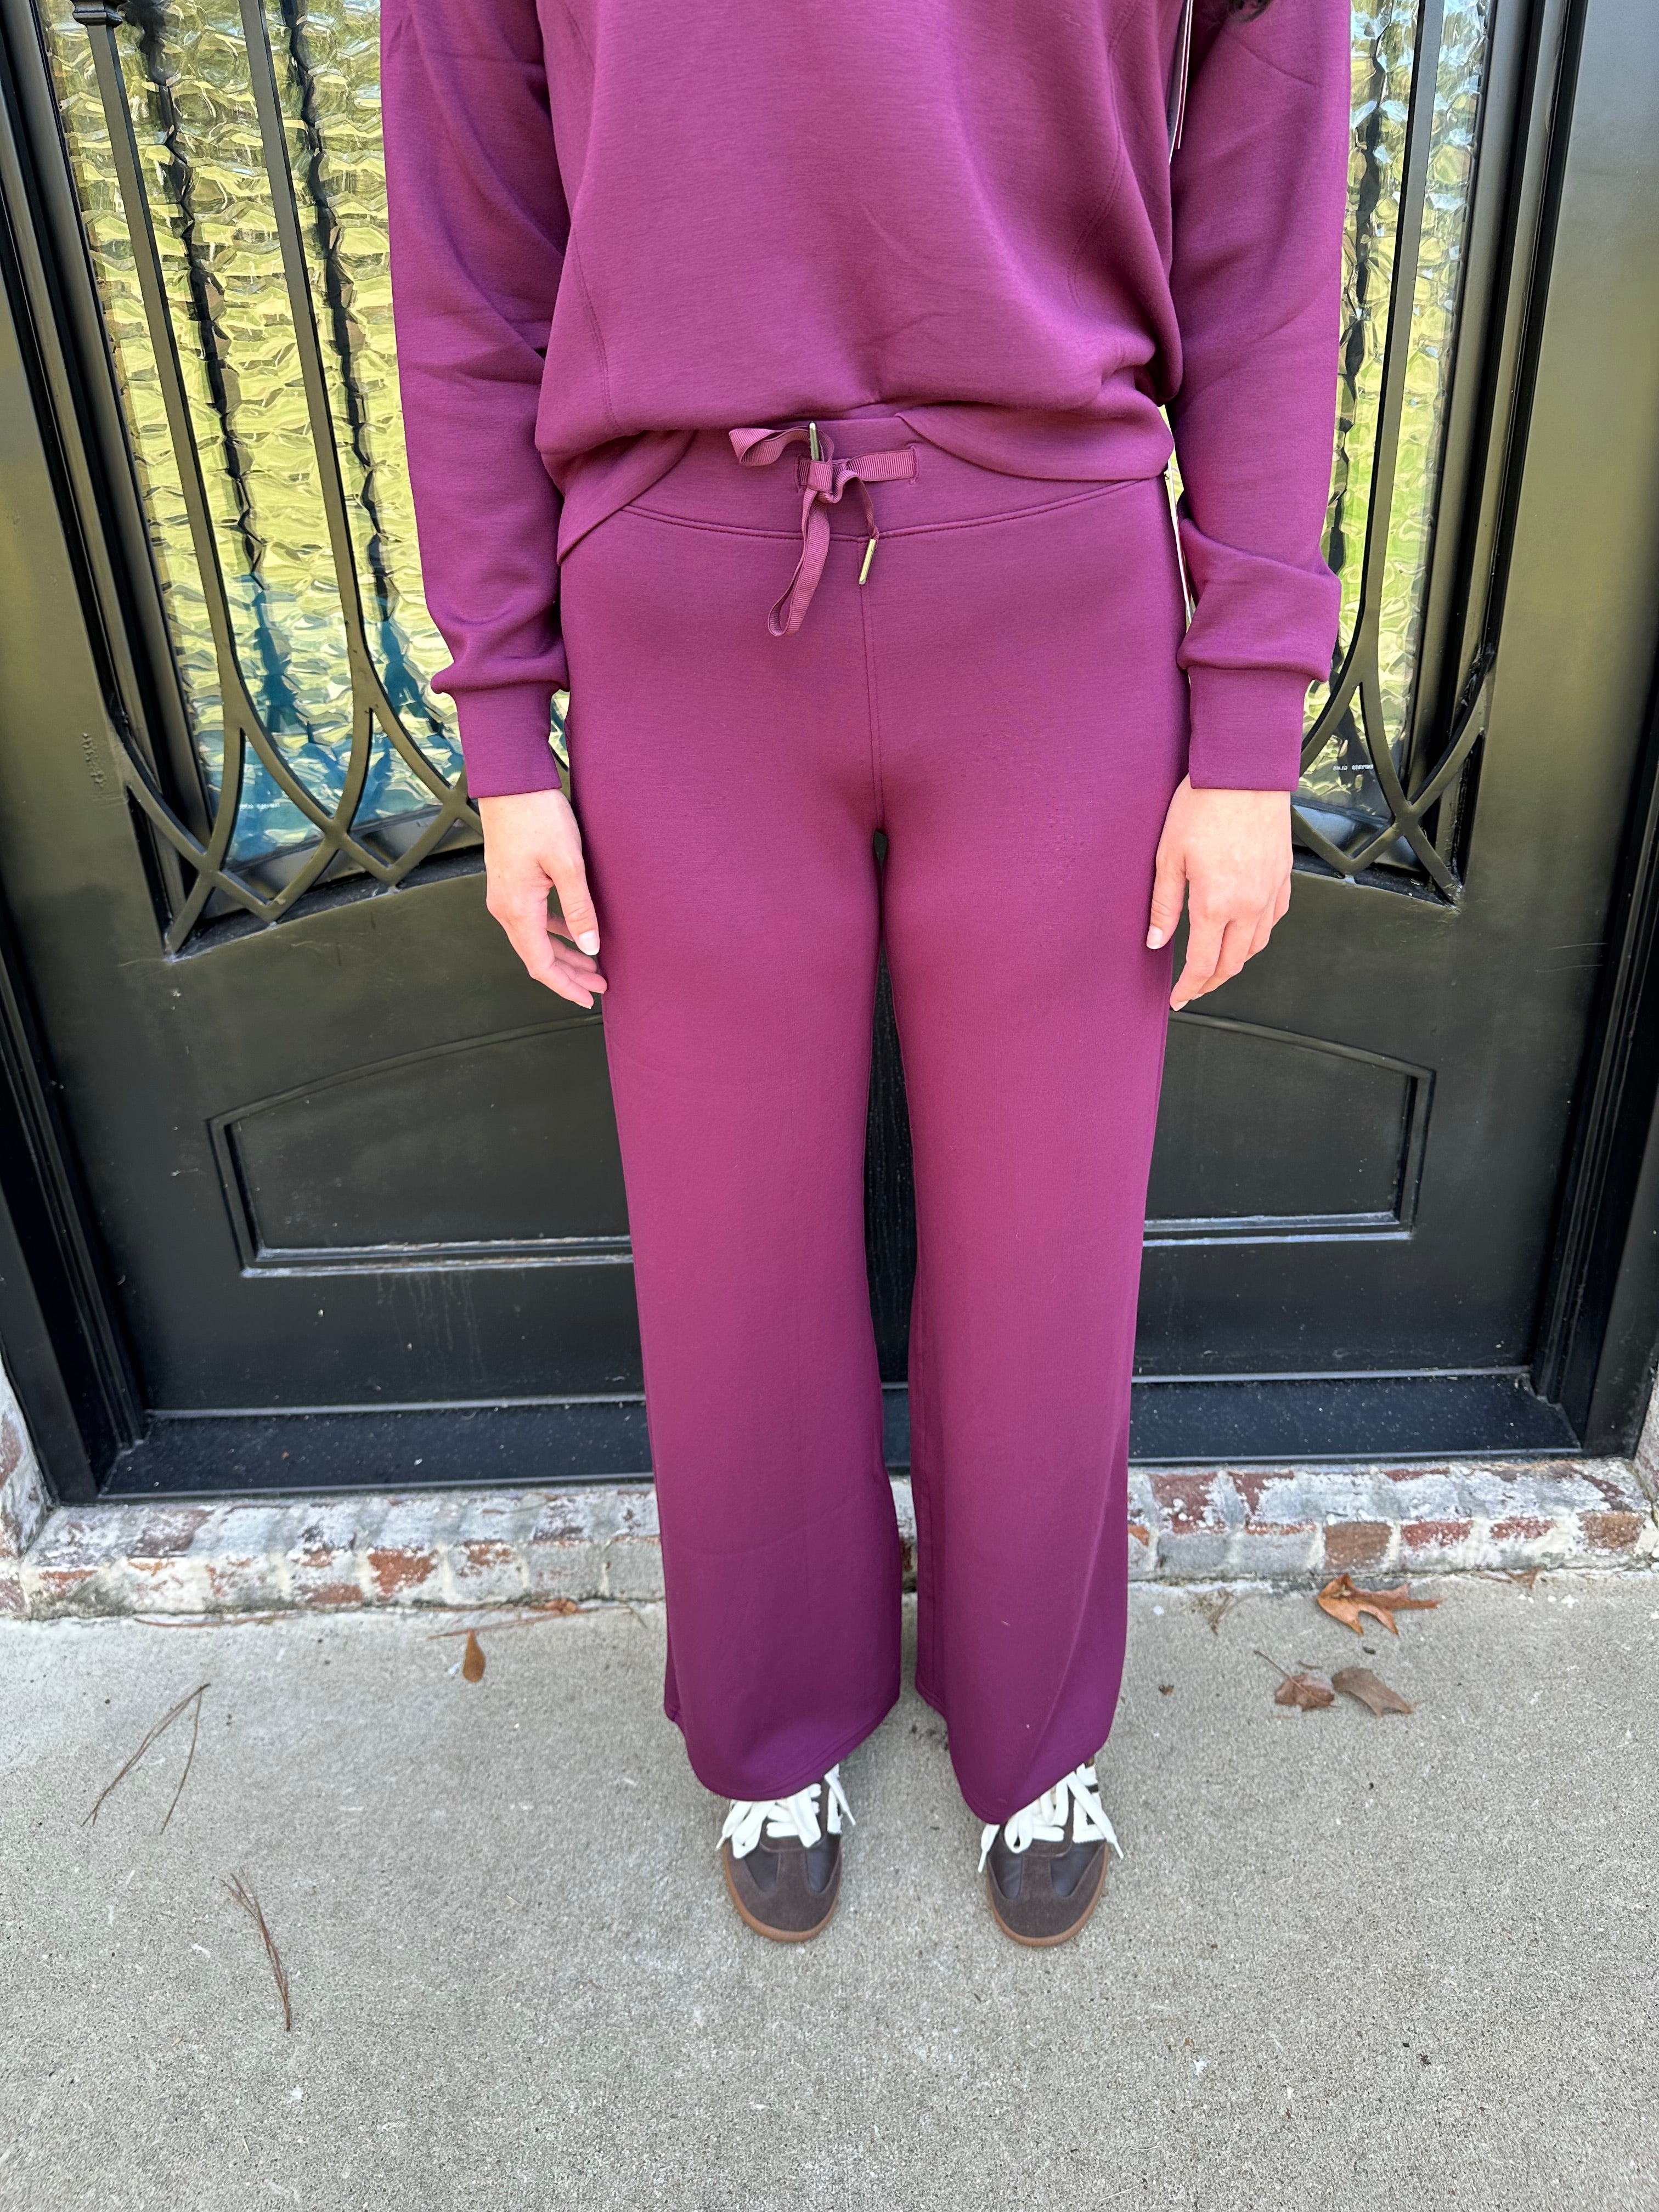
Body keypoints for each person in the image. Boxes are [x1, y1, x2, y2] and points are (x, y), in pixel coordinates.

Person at [380, 0, 1350, 1946]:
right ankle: (771, 1709)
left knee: (1052, 1228)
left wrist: (1252, 719)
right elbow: (471, 255)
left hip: (1060, 594)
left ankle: (1032, 1716)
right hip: (678, 601)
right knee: (724, 1232)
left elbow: (1263, 242)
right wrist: (502, 729)